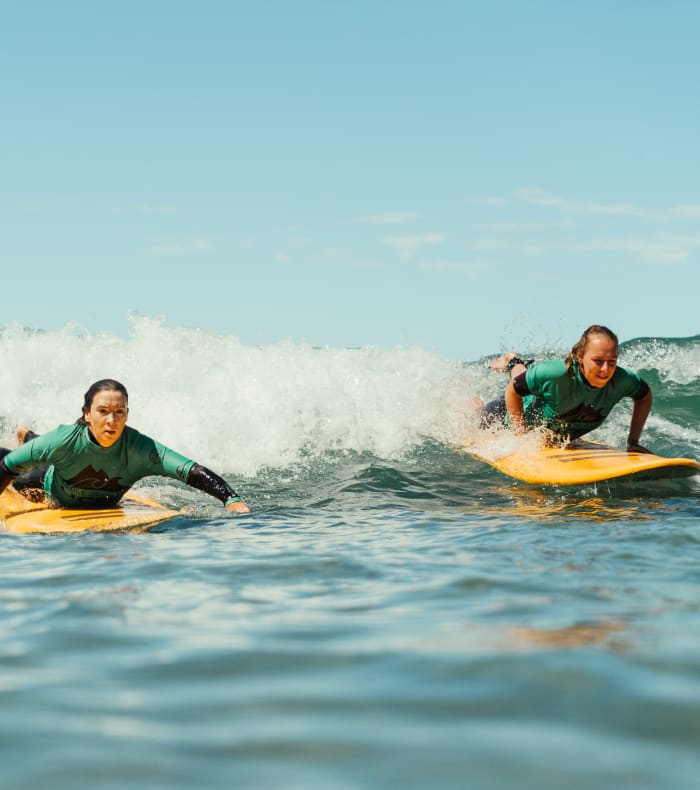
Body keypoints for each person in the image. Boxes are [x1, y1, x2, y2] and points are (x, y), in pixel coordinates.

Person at [0, 379, 251, 512]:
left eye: (119, 412)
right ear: (87, 414)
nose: (112, 420)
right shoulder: (63, 439)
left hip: (66, 457)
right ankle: (30, 437)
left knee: (46, 450)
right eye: (103, 411)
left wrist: (231, 499)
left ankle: (31, 437)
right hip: (46, 484)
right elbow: (8, 465)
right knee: (20, 460)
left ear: (127, 415)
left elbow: (191, 471)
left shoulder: (142, 449)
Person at [479, 325, 653, 453]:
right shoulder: (555, 373)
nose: (606, 369)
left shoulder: (623, 380)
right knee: (475, 422)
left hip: (544, 422)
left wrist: (633, 442)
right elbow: (513, 390)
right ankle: (512, 362)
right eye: (598, 361)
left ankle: (515, 362)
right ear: (580, 356)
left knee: (527, 378)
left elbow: (644, 396)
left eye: (612, 362)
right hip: (504, 417)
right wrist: (519, 439)